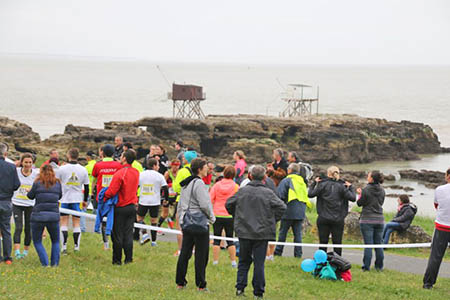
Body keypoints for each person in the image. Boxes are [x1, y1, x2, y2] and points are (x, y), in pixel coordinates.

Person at [226, 165, 286, 299]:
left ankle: (240, 288)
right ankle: (258, 292)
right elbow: (282, 207)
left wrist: (238, 217)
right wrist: (272, 219)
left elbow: (229, 204)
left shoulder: (242, 191)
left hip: (245, 231)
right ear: (265, 177)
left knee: (243, 261)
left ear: (250, 176)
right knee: (259, 263)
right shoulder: (268, 193)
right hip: (261, 232)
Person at [175, 158, 215, 291]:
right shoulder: (199, 184)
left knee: (185, 253)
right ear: (199, 169)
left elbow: (182, 203)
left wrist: (181, 219)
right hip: (199, 222)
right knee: (201, 255)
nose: (207, 169)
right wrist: (211, 217)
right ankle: (201, 284)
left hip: (187, 221)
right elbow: (204, 204)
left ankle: (180, 282)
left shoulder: (186, 183)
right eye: (205, 167)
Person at [308, 166, 356, 256]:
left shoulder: (322, 185)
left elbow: (310, 194)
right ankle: (338, 264)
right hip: (338, 218)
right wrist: (351, 188)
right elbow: (353, 198)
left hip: (323, 217)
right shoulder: (342, 186)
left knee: (323, 243)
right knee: (337, 243)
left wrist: (314, 183)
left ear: (328, 173)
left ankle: (321, 264)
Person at [104, 150, 140, 265]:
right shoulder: (136, 172)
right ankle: (129, 259)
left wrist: (103, 196)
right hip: (132, 206)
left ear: (124, 159)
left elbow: (111, 191)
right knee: (128, 233)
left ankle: (117, 260)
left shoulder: (120, 173)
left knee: (118, 235)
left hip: (120, 207)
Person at [26, 164, 62, 267]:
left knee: (37, 241)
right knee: (55, 241)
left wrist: (29, 191)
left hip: (38, 215)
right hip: (53, 216)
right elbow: (60, 196)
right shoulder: (57, 183)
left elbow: (30, 196)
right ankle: (54, 264)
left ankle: (45, 263)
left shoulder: (37, 182)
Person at [274, 163, 312, 258]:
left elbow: (280, 195)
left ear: (290, 170)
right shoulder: (302, 182)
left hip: (288, 211)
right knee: (297, 234)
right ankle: (298, 254)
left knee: (283, 233)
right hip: (300, 211)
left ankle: (278, 252)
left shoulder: (286, 181)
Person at [57, 148, 90, 254]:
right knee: (77, 223)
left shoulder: (62, 169)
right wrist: (85, 200)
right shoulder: (83, 169)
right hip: (77, 199)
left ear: (68, 155)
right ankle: (76, 247)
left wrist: (57, 197)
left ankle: (64, 247)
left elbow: (57, 183)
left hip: (64, 198)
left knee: (64, 222)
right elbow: (87, 187)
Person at [423, 168, 450, 289]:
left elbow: (436, 205)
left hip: (442, 227)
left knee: (435, 256)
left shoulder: (439, 190)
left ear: (448, 176)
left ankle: (428, 283)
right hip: (443, 226)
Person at [92, 144, 123, 250]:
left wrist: (92, 192)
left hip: (102, 196)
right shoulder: (118, 166)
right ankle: (115, 240)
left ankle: (106, 243)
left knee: (102, 218)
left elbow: (94, 180)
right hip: (115, 195)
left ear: (102, 153)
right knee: (114, 218)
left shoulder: (98, 165)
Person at [209, 165, 239, 267]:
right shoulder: (236, 186)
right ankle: (233, 261)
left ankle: (215, 261)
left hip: (217, 214)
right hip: (229, 215)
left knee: (216, 239)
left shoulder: (216, 185)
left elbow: (210, 199)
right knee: (230, 239)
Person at [356, 170, 385, 271]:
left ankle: (366, 266)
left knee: (368, 244)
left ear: (372, 178)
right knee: (379, 244)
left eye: (368, 176)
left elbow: (359, 203)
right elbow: (381, 202)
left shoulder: (366, 189)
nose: (367, 177)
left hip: (367, 219)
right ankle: (379, 267)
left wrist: (360, 194)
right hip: (379, 219)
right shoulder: (382, 190)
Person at [12, 153, 39, 259]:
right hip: (17, 203)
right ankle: (17, 251)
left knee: (28, 228)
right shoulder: (16, 172)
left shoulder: (36, 174)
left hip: (30, 204)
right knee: (18, 227)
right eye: (26, 162)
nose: (28, 165)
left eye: (30, 162)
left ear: (33, 163)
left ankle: (26, 251)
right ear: (21, 162)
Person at [172, 150, 198, 256]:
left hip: (182, 200)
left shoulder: (182, 171)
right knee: (195, 226)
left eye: (183, 158)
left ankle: (181, 249)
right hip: (195, 202)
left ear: (187, 159)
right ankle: (194, 249)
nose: (182, 159)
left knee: (180, 227)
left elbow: (176, 187)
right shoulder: (198, 170)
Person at [137, 158, 168, 246]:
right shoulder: (159, 176)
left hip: (143, 200)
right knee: (154, 221)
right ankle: (154, 242)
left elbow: (136, 186)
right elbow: (165, 188)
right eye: (157, 165)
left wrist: (135, 196)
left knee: (139, 218)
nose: (158, 167)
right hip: (155, 201)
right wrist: (166, 199)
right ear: (154, 165)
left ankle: (145, 234)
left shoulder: (141, 174)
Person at [0, 142, 21, 264]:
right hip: (6, 201)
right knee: (6, 230)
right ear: (5, 154)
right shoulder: (12, 167)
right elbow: (16, 185)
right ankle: (7, 257)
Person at [160, 159, 181, 229]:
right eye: (175, 166)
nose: (176, 167)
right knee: (165, 213)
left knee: (177, 213)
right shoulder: (168, 173)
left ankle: (171, 221)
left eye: (178, 166)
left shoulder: (179, 173)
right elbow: (162, 184)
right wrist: (170, 185)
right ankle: (157, 227)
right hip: (167, 195)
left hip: (175, 195)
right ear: (172, 165)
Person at [81, 150, 97, 232]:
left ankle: (82, 228)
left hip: (86, 191)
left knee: (82, 210)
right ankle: (97, 229)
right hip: (95, 191)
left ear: (88, 157)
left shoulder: (86, 167)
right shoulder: (97, 165)